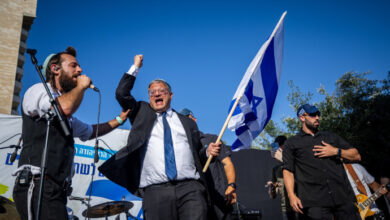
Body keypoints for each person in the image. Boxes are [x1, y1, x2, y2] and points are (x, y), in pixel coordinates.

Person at [98, 55, 221, 220]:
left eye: (161, 91)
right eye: (152, 93)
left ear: (170, 95)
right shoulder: (141, 111)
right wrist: (135, 67)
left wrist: (207, 153)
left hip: (190, 189)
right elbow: (121, 93)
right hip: (155, 192)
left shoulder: (187, 122)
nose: (156, 94)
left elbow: (197, 153)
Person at [13, 46, 129, 220]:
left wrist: (119, 119)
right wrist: (81, 87)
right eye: (73, 65)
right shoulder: (38, 91)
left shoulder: (64, 114)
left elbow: (90, 131)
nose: (80, 70)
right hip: (38, 184)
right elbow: (64, 108)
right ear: (55, 69)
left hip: (56, 190)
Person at [282, 103, 361, 220]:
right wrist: (291, 196)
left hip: (343, 197)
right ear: (302, 118)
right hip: (315, 203)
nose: (317, 117)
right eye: (313, 115)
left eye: (318, 114)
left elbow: (356, 155)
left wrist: (336, 151)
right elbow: (288, 170)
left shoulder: (331, 137)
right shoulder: (292, 143)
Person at [179, 108, 237, 220]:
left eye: (188, 119)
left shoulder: (211, 139)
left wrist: (231, 186)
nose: (185, 123)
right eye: (182, 121)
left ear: (194, 120)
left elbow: (227, 163)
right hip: (194, 199)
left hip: (218, 198)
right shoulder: (180, 146)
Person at [267, 136, 297, 220]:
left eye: (279, 147)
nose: (276, 152)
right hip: (286, 210)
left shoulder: (296, 162)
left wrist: (283, 158)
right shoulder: (275, 169)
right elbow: (273, 196)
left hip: (299, 205)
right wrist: (272, 188)